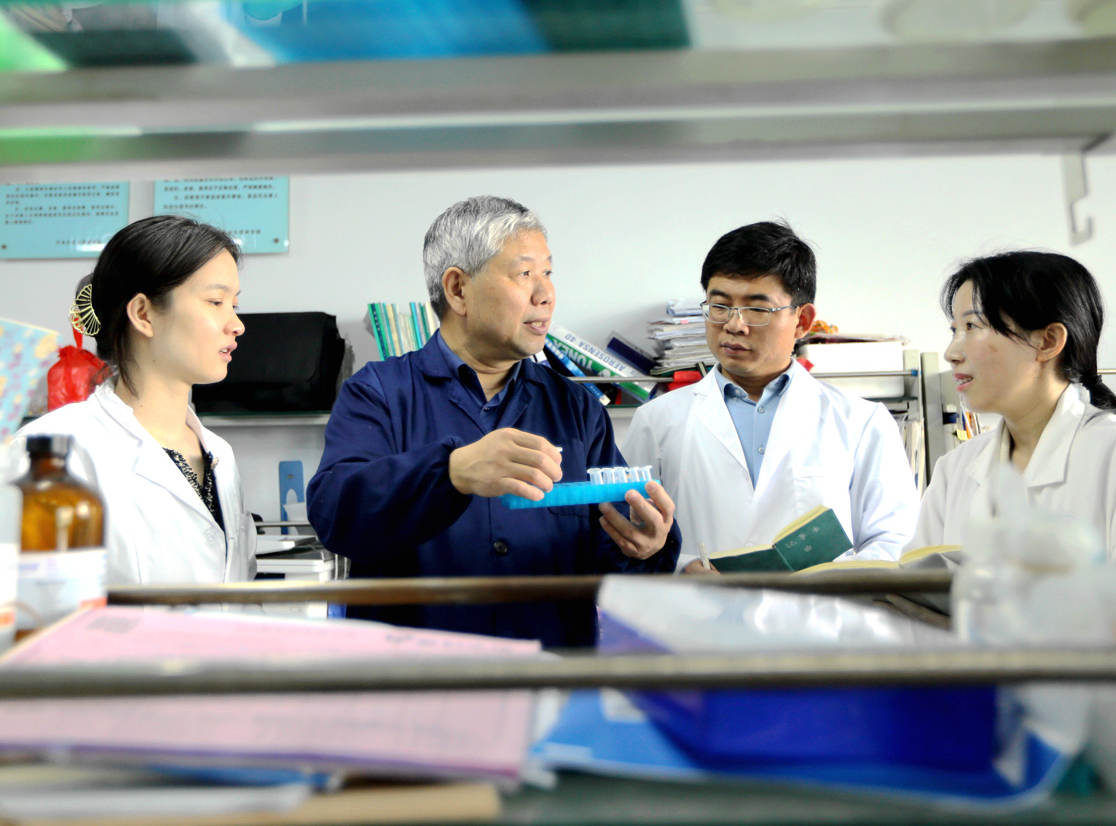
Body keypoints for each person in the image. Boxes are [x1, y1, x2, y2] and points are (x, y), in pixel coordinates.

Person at [306, 196, 679, 647]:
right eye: (525, 274)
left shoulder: (577, 407)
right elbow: (336, 515)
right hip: (417, 676)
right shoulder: (379, 393)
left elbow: (609, 562)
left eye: (548, 273)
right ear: (458, 290)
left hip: (548, 675)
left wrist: (646, 545)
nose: (545, 294)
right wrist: (450, 472)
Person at [622, 221, 919, 573]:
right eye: (720, 306)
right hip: (698, 606)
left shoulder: (862, 422)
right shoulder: (657, 420)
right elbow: (630, 537)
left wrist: (827, 582)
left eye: (757, 309)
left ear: (802, 320)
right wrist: (682, 568)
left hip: (818, 607)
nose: (734, 324)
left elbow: (894, 541)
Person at [908, 250, 1116, 564]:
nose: (951, 353)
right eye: (955, 331)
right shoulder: (954, 470)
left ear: (1047, 341)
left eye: (973, 326)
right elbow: (914, 586)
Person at [16, 215, 256, 584]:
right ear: (143, 314)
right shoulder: (54, 452)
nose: (236, 325)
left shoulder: (220, 455)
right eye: (215, 301)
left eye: (234, 304)